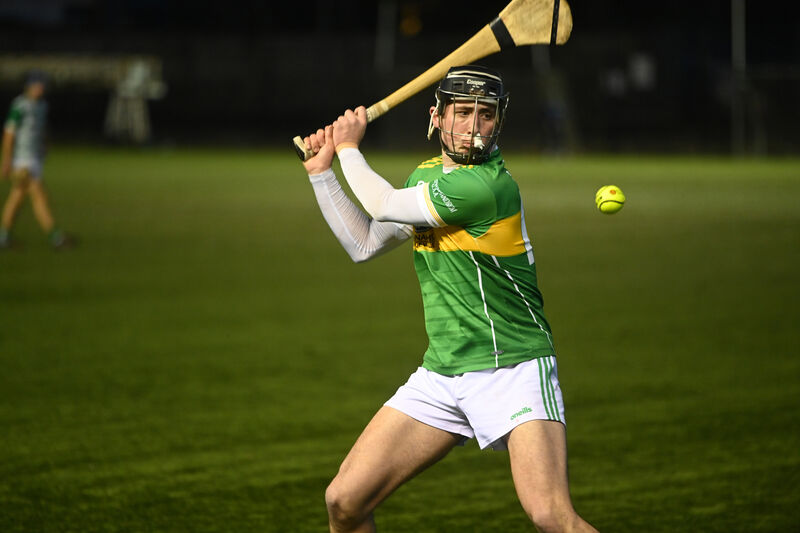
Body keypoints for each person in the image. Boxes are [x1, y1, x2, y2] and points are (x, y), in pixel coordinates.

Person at [300, 65, 598, 533]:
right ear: (436, 117)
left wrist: (348, 147)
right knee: (344, 500)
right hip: (444, 371)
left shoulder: (487, 186)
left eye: (485, 115)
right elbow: (364, 243)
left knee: (550, 515)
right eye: (463, 112)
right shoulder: (427, 178)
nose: (474, 127)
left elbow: (382, 204)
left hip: (512, 367)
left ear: (498, 122)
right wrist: (323, 173)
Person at [1, 70, 73, 250]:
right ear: (30, 86)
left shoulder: (42, 106)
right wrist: (6, 161)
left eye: (43, 85)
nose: (41, 88)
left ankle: (3, 236)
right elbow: (9, 134)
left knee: (16, 198)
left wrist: (46, 144)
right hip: (22, 160)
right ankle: (56, 237)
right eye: (38, 85)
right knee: (39, 195)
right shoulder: (20, 106)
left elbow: (42, 129)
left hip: (35, 158)